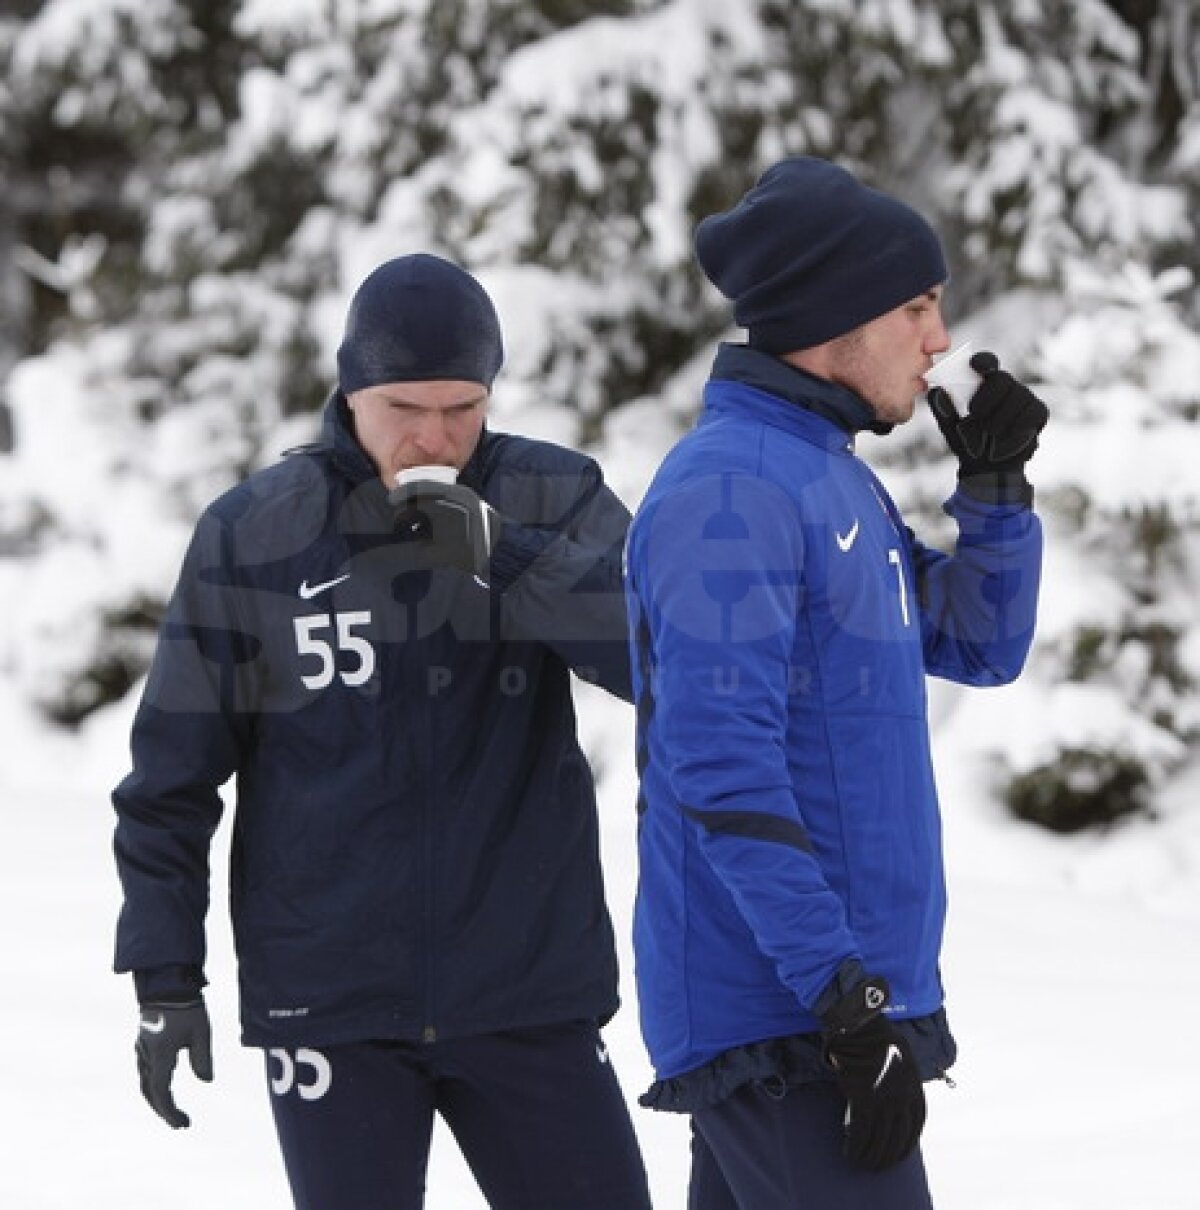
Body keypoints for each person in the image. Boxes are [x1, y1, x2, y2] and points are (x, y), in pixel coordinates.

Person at [113, 253, 653, 1209]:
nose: (435, 437)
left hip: (527, 989)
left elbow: (654, 658)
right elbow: (172, 777)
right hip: (330, 1006)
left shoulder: (549, 494)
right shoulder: (255, 533)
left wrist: (504, 554)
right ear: (352, 388)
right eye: (406, 408)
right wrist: (164, 973)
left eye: (462, 408)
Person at [624, 157, 1048, 1208]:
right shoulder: (734, 489)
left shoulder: (822, 472)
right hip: (791, 1022)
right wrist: (843, 1000)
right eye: (917, 305)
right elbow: (720, 769)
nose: (939, 339)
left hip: (822, 1010)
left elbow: (976, 643)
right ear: (834, 316)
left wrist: (994, 491)